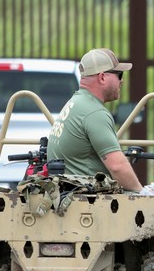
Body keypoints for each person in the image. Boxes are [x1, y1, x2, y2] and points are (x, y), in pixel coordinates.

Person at [47, 48, 143, 192]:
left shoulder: (76, 102)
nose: (121, 80)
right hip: (85, 201)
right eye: (119, 74)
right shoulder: (94, 112)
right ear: (102, 77)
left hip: (68, 194)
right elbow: (117, 167)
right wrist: (141, 194)